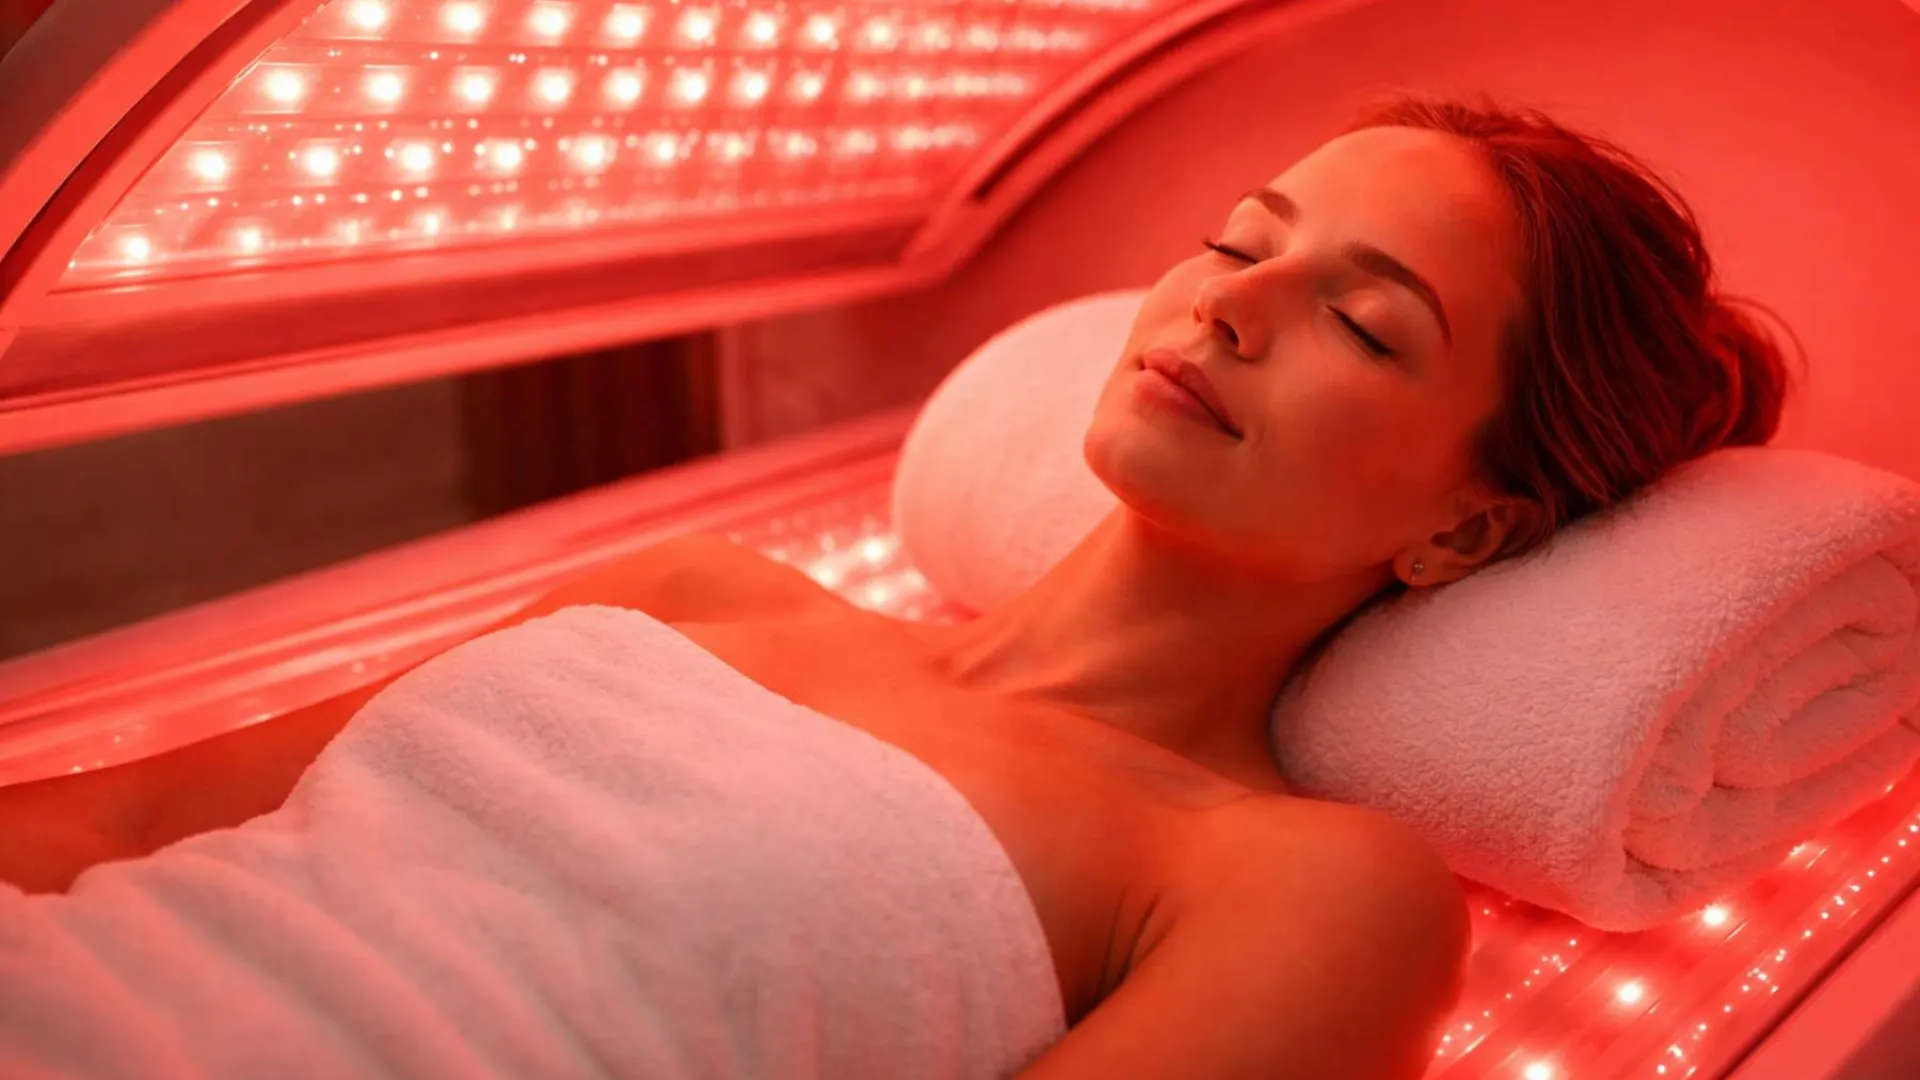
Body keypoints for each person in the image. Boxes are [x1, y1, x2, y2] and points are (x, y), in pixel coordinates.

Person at [0, 94, 1797, 1079]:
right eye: (1244, 239)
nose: (1223, 304)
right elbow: (142, 807)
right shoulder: (704, 592)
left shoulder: (1294, 878)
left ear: (1468, 532)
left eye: (1360, 318)